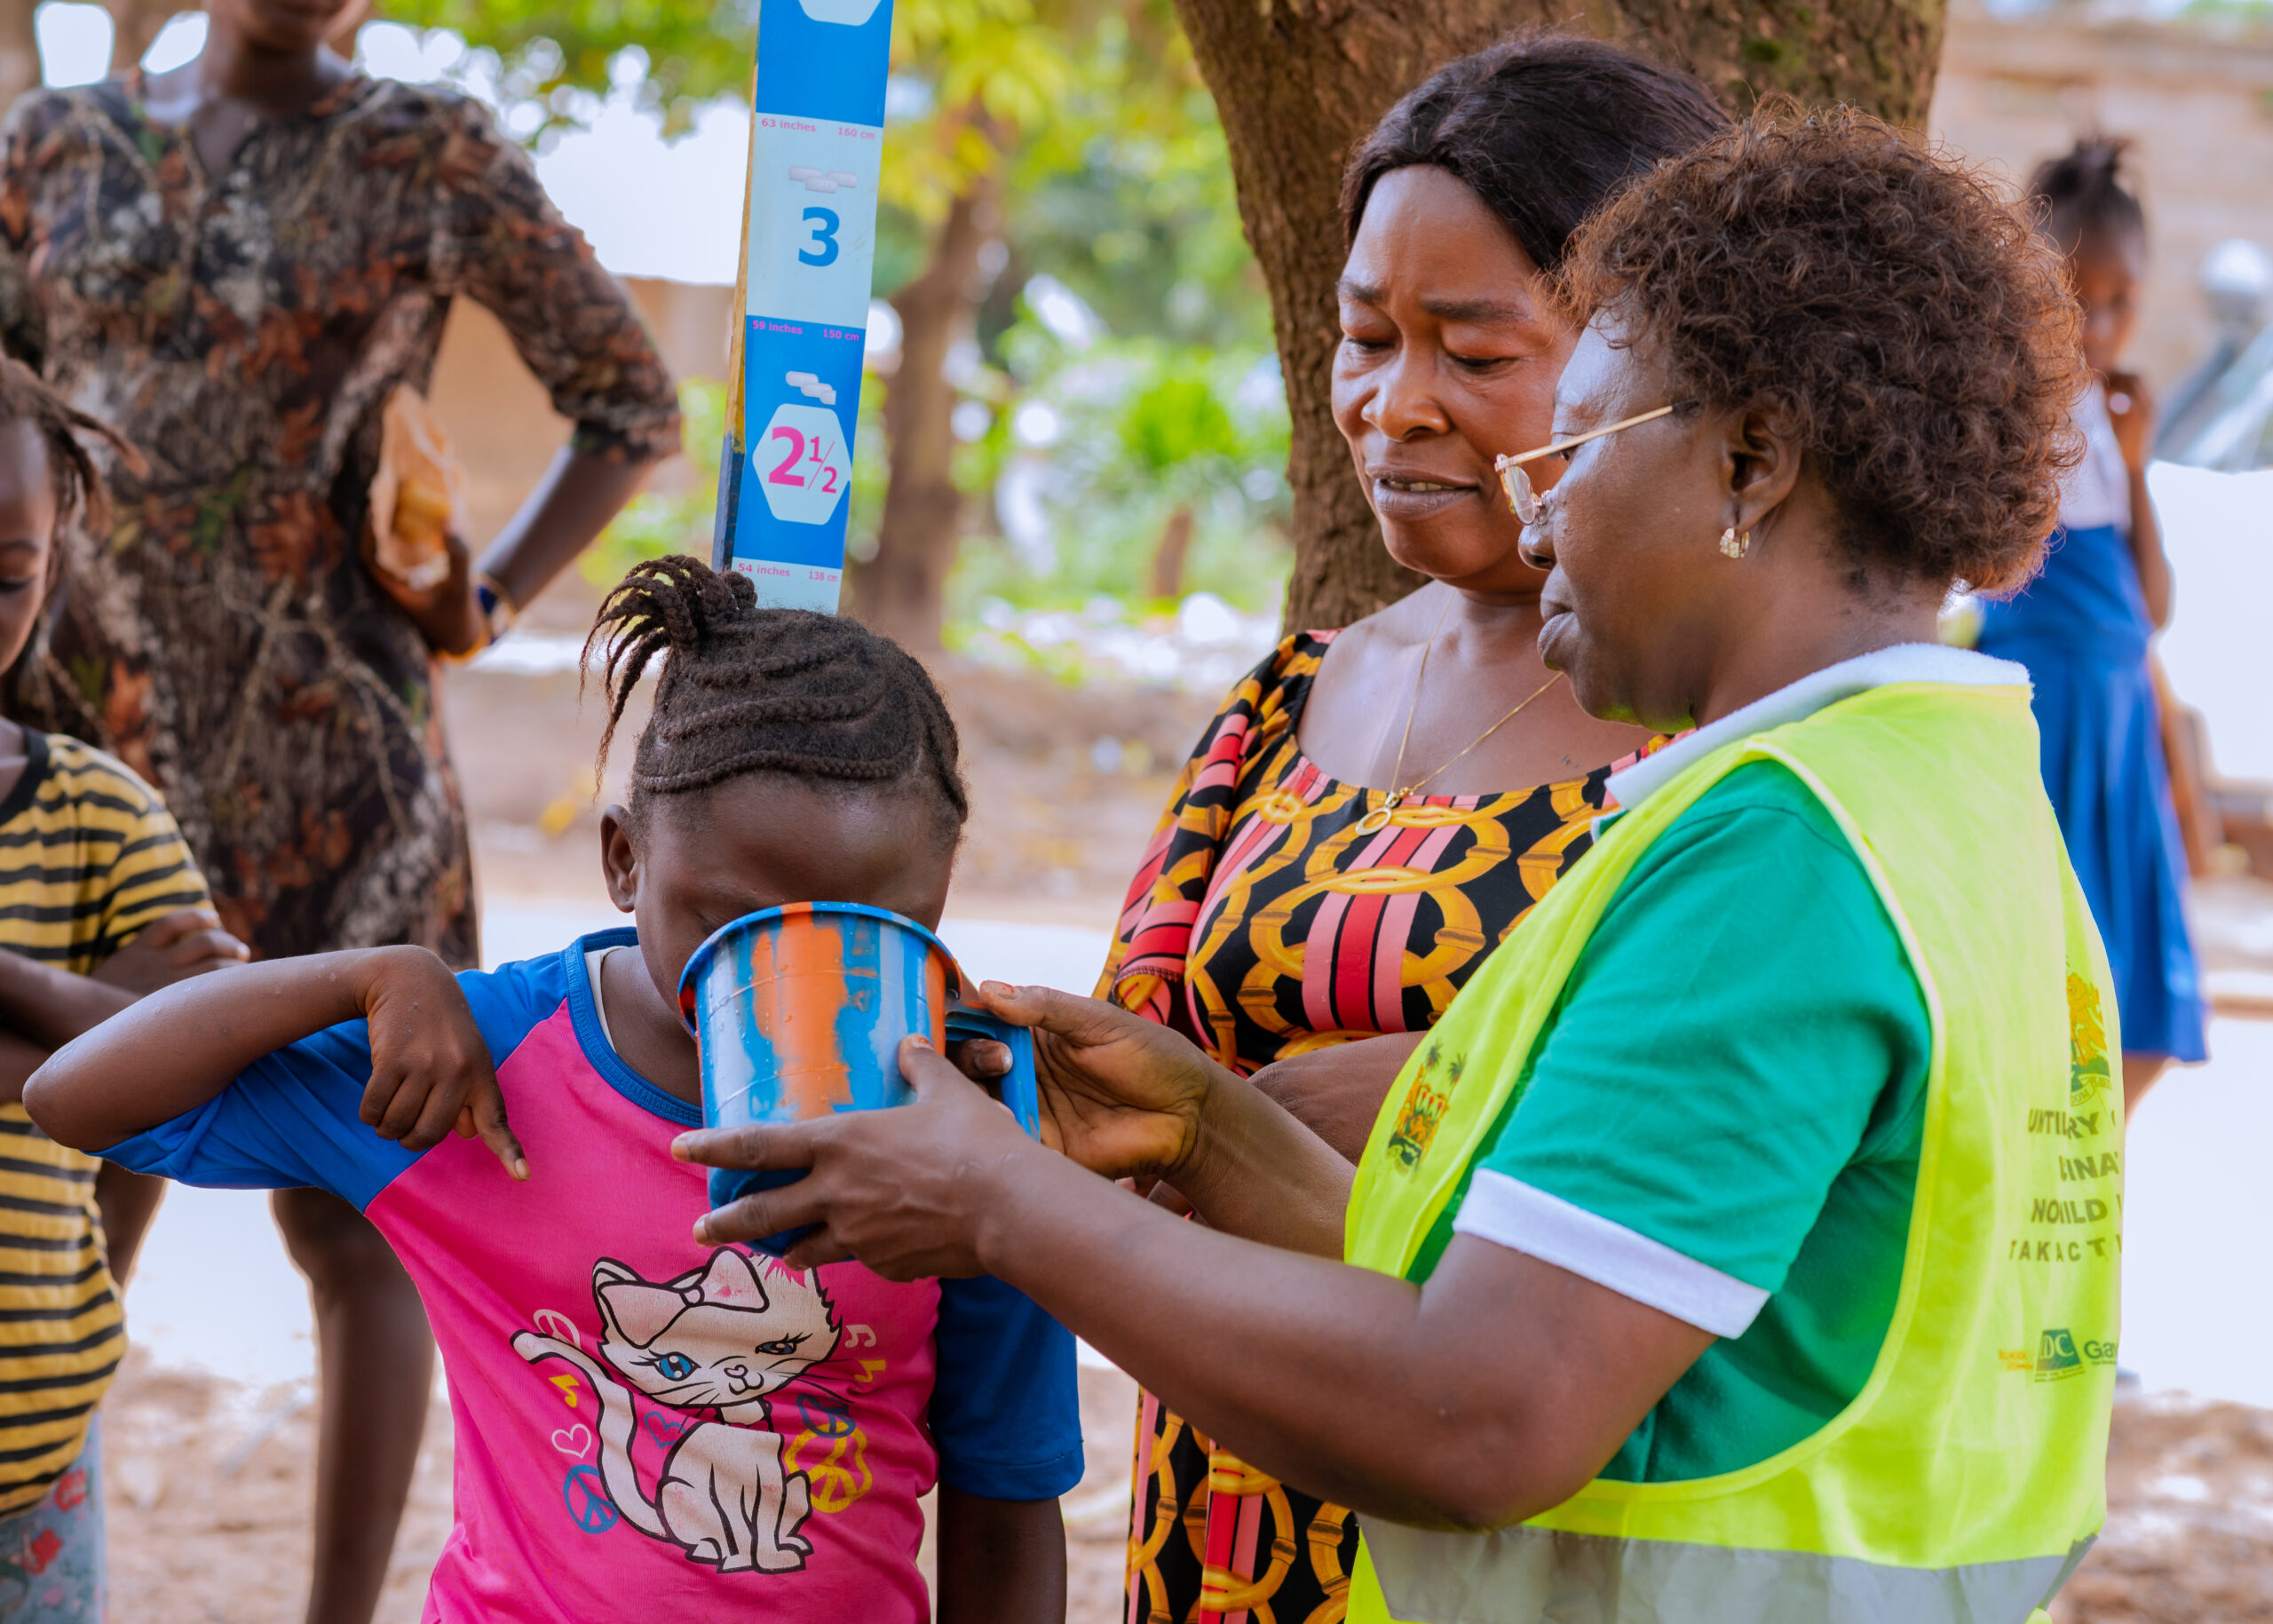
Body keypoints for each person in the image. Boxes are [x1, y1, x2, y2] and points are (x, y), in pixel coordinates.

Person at [678, 107, 2117, 1624]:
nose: (1538, 506)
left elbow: (1481, 1411)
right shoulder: (1942, 796)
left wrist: (1000, 1206)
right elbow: (1558, 1310)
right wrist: (1207, 1131)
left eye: (1574, 445)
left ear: (1751, 462)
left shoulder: (1771, 858)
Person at [26, 558, 1079, 1622]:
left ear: (936, 902)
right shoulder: (479, 1062)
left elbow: (1007, 1492)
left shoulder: (969, 1116)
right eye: (730, 924)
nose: (783, 980)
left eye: (862, 939)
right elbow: (79, 1097)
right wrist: (364, 973)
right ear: (623, 860)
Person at [0, 0, 683, 1612]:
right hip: (96, 731)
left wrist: (488, 597)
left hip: (346, 769)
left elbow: (628, 399)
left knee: (364, 1210)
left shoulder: (427, 147)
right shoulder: (49, 144)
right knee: (75, 1158)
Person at [1099, 36, 1728, 1617]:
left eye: (1473, 346)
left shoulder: (1734, 750)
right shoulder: (1282, 707)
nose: (1396, 403)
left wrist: (1455, 1093)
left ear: (1641, 369)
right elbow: (1120, 1086)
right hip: (1223, 1528)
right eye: (1365, 335)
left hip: (1521, 1537)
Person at [0, 359, 247, 1620]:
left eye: (8, 572)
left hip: (31, 1440)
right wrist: (96, 1009)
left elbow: (204, 1058)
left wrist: (131, 1029)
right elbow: (144, 1046)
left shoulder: (100, 814)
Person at [1976, 138, 2204, 1113]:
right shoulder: (2019, 415)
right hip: (2048, 717)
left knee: (2135, 1006)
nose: (2101, 325)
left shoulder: (2114, 420)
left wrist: (2141, 459)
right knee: (2051, 977)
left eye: (2123, 302)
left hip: (2116, 731)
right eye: (2080, 297)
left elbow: (2151, 607)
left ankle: (2083, 1179)